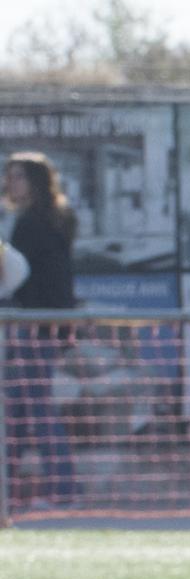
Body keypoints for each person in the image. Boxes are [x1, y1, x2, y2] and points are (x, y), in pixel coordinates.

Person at [2, 152, 81, 508]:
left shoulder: (33, 223)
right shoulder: (42, 219)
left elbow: (28, 278)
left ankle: (64, 491)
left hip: (31, 326)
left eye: (17, 176)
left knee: (36, 408)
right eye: (9, 176)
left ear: (34, 182)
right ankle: (9, 489)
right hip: (34, 325)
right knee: (17, 411)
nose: (10, 183)